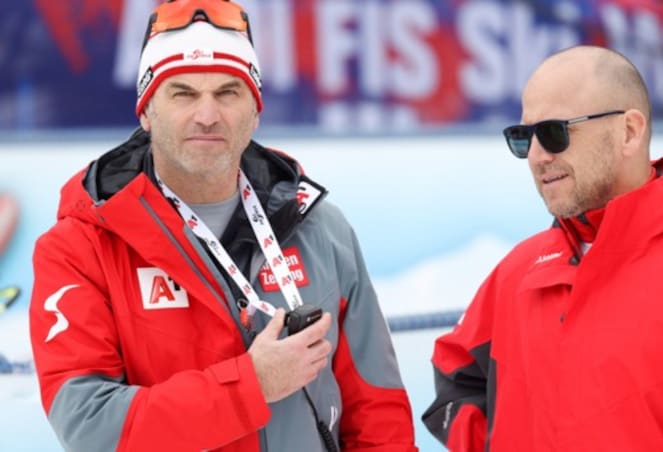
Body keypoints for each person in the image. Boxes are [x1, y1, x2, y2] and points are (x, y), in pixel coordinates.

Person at [28, 1, 417, 451]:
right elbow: (88, 426)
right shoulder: (81, 246)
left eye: (229, 92)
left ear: (255, 111)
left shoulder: (320, 227)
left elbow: (378, 409)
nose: (208, 115)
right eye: (183, 94)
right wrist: (248, 387)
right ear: (146, 112)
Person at [422, 45, 663, 451]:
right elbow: (454, 381)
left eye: (554, 133)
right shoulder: (518, 273)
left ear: (629, 132)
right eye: (523, 137)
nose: (536, 156)